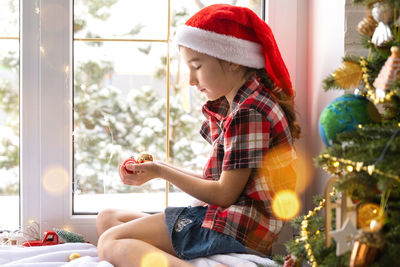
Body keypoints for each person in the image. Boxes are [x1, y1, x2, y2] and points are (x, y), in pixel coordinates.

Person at [96, 4, 301, 267]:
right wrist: (156, 169)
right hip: (226, 219)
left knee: (110, 242)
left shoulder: (249, 112)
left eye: (197, 66)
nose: (191, 80)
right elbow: (220, 182)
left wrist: (160, 171)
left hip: (236, 228)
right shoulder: (244, 104)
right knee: (107, 217)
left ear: (233, 60)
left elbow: (223, 194)